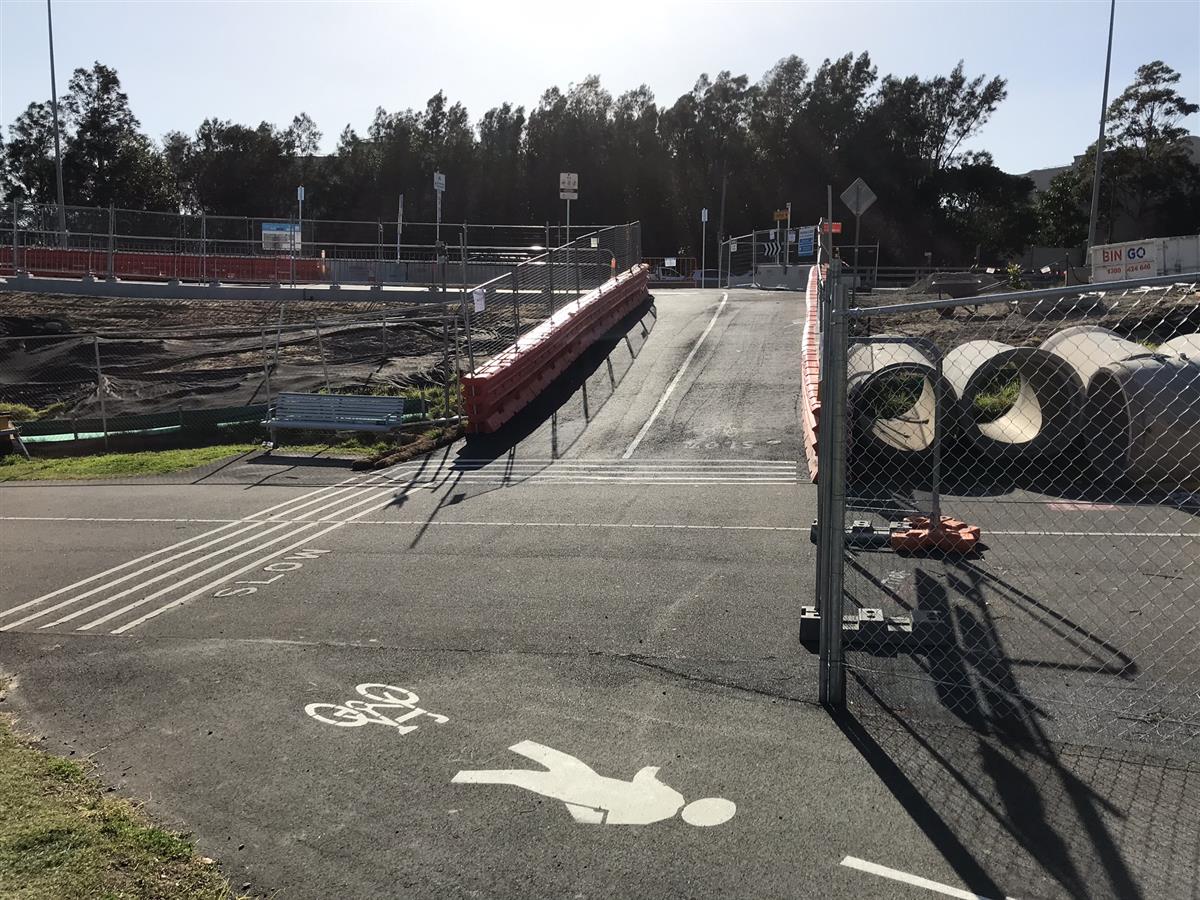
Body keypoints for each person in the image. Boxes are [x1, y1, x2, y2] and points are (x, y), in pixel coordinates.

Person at [452, 740, 735, 826]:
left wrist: (652, 769)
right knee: (530, 772)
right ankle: (470, 767)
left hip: (585, 789)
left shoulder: (670, 802)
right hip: (588, 788)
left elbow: (643, 780)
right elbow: (602, 817)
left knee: (529, 772)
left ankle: (462, 772)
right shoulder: (668, 805)